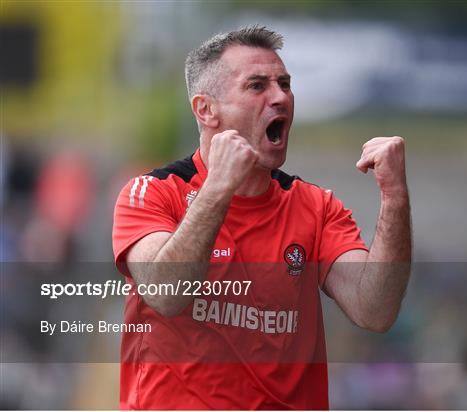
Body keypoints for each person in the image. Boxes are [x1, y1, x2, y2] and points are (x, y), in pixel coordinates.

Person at [112, 25, 411, 410]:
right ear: (206, 110)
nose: (280, 97)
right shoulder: (153, 192)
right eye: (257, 86)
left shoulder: (315, 207)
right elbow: (165, 294)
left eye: (284, 84)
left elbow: (375, 310)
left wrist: (395, 197)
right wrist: (219, 187)